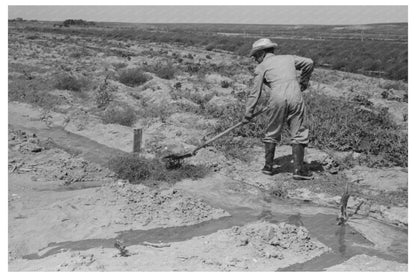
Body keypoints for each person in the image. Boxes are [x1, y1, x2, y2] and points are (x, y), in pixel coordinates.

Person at [243, 38, 314, 180]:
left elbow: (254, 92)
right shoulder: (289, 58)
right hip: (295, 95)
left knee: (272, 130)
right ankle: (298, 170)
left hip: (277, 97)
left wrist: (248, 113)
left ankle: (268, 167)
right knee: (298, 131)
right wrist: (303, 82)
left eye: (256, 56)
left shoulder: (261, 67)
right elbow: (309, 62)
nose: (255, 60)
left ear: (262, 53)